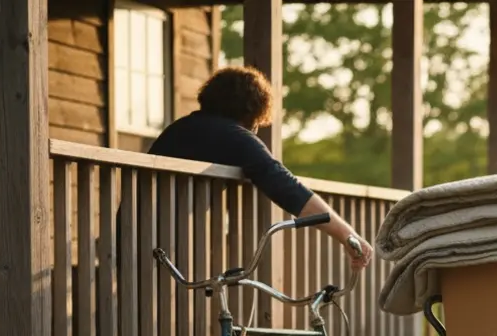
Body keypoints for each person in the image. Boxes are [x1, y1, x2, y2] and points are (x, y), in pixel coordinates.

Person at [148, 65, 373, 270]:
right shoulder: (234, 136)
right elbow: (288, 188)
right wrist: (348, 236)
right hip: (163, 248)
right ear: (252, 111)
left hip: (138, 234)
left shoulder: (179, 128)